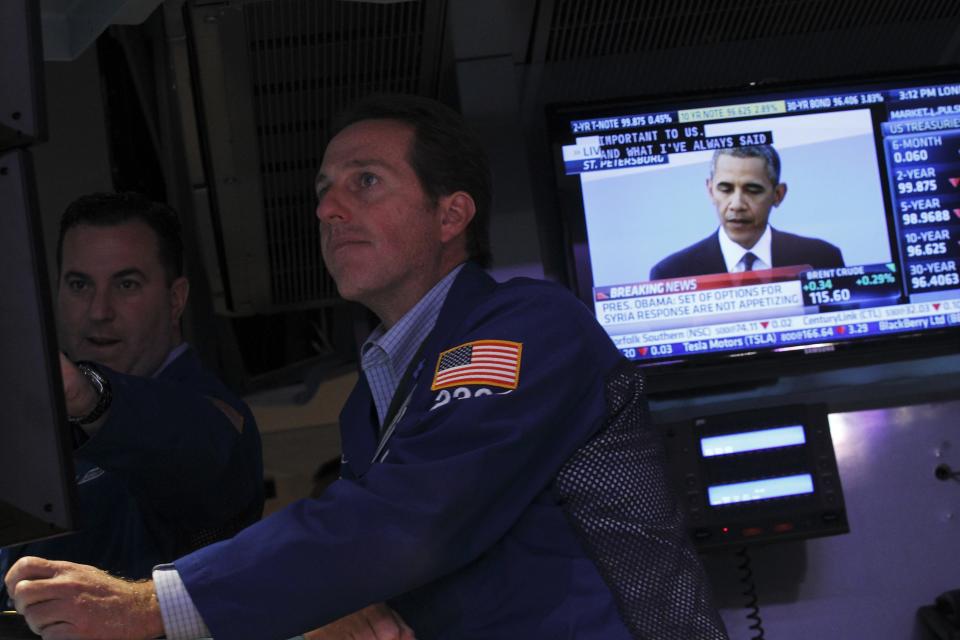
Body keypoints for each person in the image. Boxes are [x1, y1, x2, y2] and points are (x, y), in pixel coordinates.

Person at [7, 96, 727, 640]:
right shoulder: (374, 399)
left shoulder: (529, 327)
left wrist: (152, 605)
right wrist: (357, 607)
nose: (328, 208)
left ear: (451, 216)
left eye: (366, 182)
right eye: (324, 189)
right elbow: (421, 552)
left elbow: (416, 517)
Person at [0, 193, 265, 602]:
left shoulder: (212, 416)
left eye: (126, 284)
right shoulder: (40, 421)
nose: (98, 310)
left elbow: (198, 445)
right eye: (79, 284)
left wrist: (89, 395)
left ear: (175, 299)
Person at [649, 145, 845, 280]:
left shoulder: (823, 258)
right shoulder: (671, 273)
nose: (737, 205)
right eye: (725, 189)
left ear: (778, 195)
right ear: (710, 191)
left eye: (752, 190)